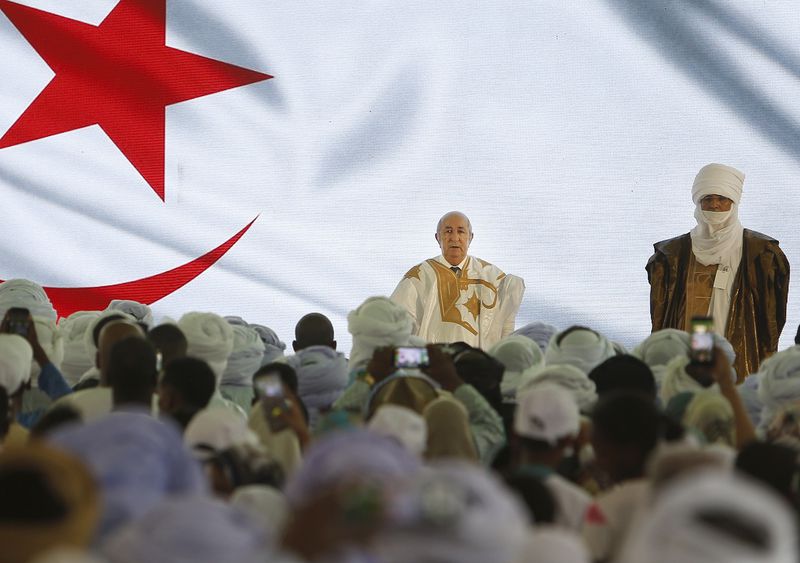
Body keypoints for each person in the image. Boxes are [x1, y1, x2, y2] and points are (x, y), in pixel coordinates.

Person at [647, 163, 789, 380]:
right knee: (697, 388)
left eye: (722, 198)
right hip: (695, 333)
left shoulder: (760, 252)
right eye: (707, 198)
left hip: (739, 338)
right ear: (698, 201)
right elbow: (661, 311)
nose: (714, 205)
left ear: (734, 201)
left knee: (731, 393)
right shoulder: (673, 252)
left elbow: (771, 314)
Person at [391, 211, 525, 349]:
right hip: (433, 366)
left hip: (479, 366)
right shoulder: (418, 277)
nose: (454, 238)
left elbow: (506, 328)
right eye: (448, 231)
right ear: (438, 238)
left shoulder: (493, 278)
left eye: (461, 232)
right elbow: (394, 328)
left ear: (470, 237)